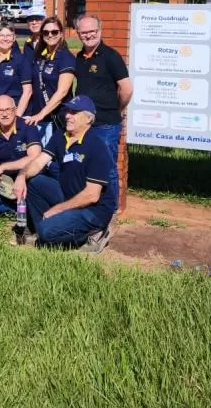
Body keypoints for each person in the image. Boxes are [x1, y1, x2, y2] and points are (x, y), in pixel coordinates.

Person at [16, 95, 115, 251]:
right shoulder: (61, 135)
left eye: (74, 112)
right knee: (34, 182)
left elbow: (92, 195)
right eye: (68, 111)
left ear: (88, 119)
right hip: (69, 195)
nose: (67, 115)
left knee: (46, 232)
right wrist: (21, 176)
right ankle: (47, 229)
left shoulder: (97, 147)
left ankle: (95, 234)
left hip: (94, 210)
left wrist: (58, 209)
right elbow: (39, 162)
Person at [74, 14, 132, 206]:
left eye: (92, 31)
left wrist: (118, 108)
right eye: (84, 32)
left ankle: (111, 208)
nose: (88, 35)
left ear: (100, 30)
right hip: (84, 125)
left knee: (107, 168)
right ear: (78, 34)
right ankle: (91, 203)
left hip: (105, 124)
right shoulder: (79, 57)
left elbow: (126, 89)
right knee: (86, 165)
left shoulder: (111, 56)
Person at [23, 16, 76, 142]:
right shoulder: (40, 55)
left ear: (61, 34)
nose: (50, 35)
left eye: (54, 32)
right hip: (38, 118)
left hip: (56, 119)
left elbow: (62, 92)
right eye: (46, 32)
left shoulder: (66, 57)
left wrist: (41, 114)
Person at [0, 25, 32, 116]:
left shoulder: (21, 60)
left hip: (17, 112)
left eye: (9, 35)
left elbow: (28, 91)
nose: (5, 39)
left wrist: (17, 116)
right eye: (1, 35)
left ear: (14, 38)